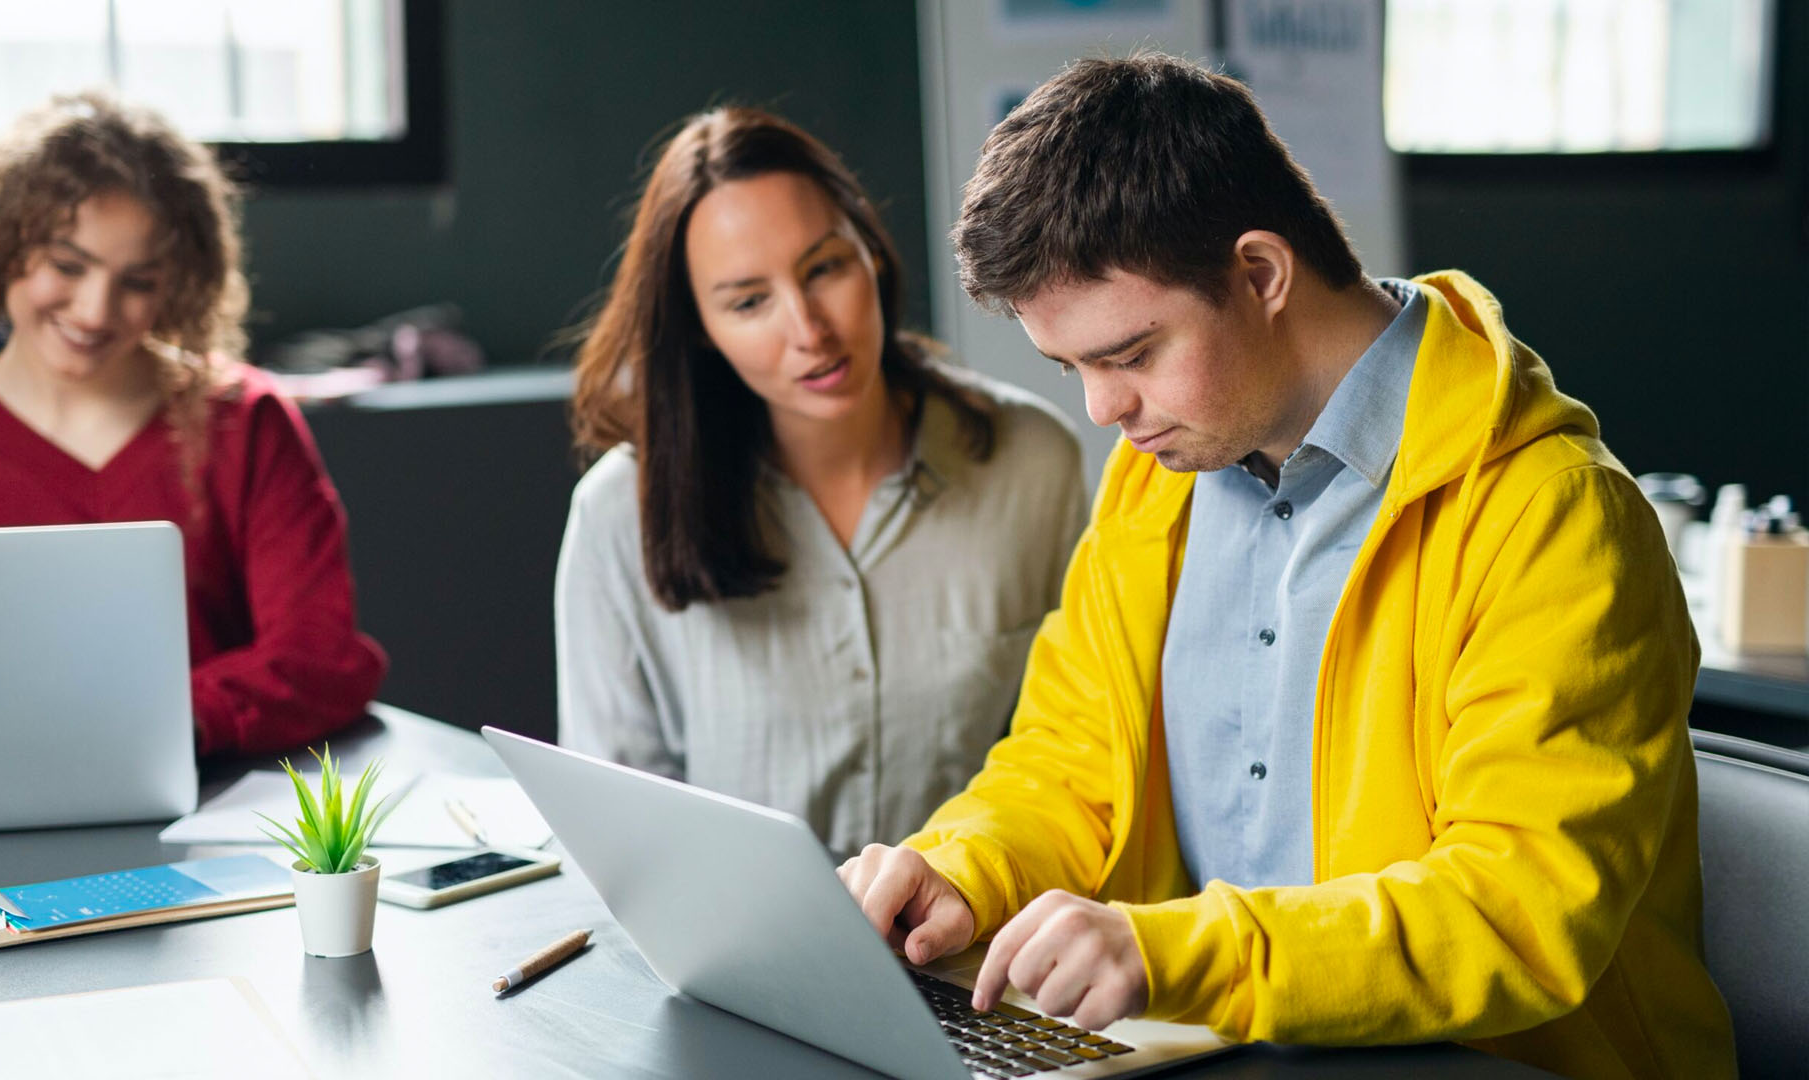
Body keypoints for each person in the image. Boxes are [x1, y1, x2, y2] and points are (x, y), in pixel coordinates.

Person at [839, 54, 1734, 1079]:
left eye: (1129, 355)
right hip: (1241, 1054)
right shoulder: (1161, 477)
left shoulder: (1552, 512)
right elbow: (1070, 761)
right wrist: (964, 870)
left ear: (1262, 274)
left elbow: (1516, 910)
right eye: (1072, 368)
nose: (1102, 411)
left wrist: (1176, 952)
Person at [557, 107, 1086, 857]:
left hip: (981, 950)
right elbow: (614, 824)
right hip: (736, 958)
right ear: (700, 327)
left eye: (824, 268)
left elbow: (1074, 755)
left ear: (871, 250)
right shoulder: (620, 512)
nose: (808, 329)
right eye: (748, 302)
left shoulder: (1032, 459)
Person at [0, 92, 386, 758]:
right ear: (3, 245)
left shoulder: (244, 421)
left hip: (206, 794)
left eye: (139, 281)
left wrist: (152, 728)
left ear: (178, 284)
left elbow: (318, 656)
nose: (95, 310)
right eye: (67, 266)